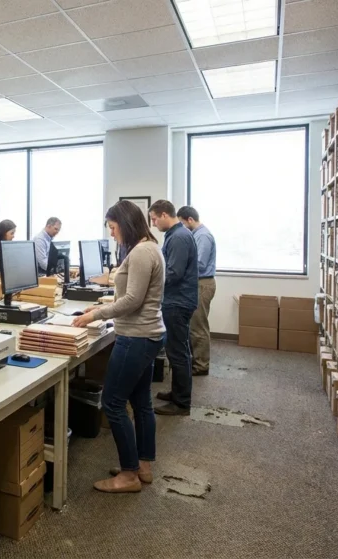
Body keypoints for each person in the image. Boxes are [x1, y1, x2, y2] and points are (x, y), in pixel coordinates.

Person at [71, 200, 165, 493]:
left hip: (136, 337)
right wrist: (103, 308)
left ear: (125, 223)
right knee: (141, 402)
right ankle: (142, 466)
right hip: (148, 333)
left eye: (113, 227)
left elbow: (133, 300)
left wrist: (95, 315)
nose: (111, 233)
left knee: (112, 403)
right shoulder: (150, 247)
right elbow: (134, 297)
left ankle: (128, 476)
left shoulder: (141, 252)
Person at [148, 200, 199, 416]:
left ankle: (181, 403)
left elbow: (173, 273)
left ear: (164, 215)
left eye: (154, 219)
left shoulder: (178, 237)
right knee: (178, 350)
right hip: (176, 300)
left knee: (178, 353)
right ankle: (177, 393)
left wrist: (149, 282)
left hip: (177, 302)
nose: (153, 223)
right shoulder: (175, 235)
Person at [178, 206, 216, 376]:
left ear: (190, 220)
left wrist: (180, 269)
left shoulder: (203, 236)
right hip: (197, 283)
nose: (181, 227)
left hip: (202, 284)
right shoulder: (197, 235)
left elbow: (199, 263)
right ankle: (196, 360)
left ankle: (201, 365)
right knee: (194, 325)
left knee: (198, 326)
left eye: (182, 223)